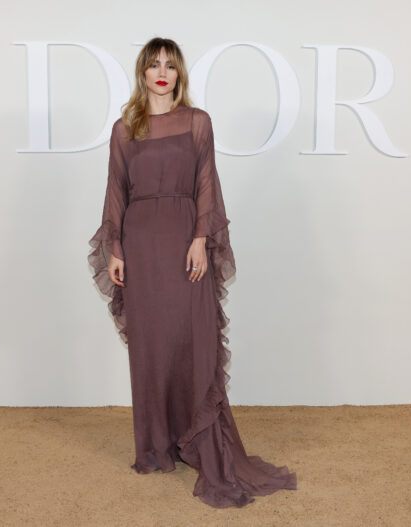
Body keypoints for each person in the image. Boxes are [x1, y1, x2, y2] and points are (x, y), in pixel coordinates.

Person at [87, 37, 297, 508]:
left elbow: (206, 185)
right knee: (151, 346)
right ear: (143, 73)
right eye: (154, 65)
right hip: (141, 244)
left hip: (184, 241)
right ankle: (156, 448)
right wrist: (115, 248)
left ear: (179, 73)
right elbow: (115, 191)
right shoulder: (125, 129)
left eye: (170, 65)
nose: (162, 73)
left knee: (192, 340)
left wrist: (201, 237)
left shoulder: (198, 122)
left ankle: (196, 440)